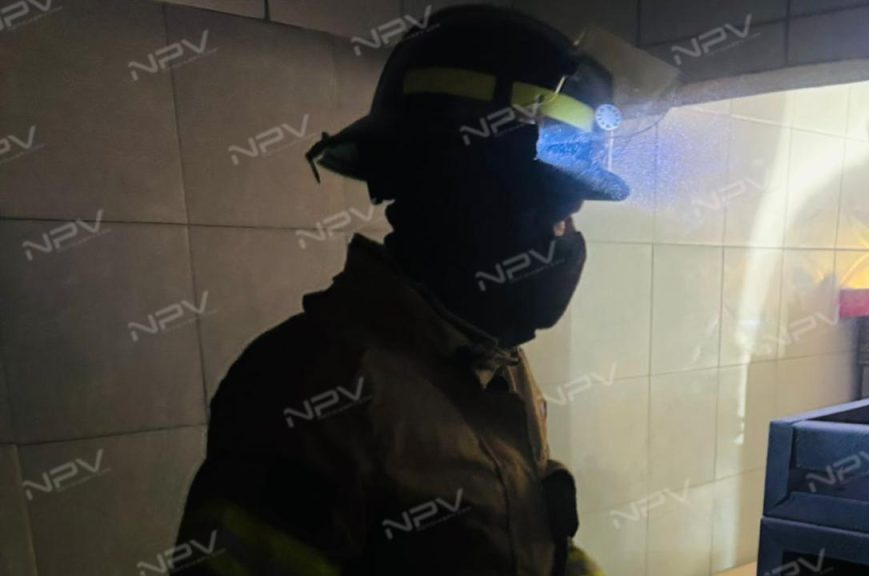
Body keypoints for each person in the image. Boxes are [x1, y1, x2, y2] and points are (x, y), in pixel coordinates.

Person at [175, 5, 664, 574]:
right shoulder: (310, 389)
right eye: (552, 213)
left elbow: (520, 543)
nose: (565, 240)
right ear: (457, 196)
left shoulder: (488, 361)